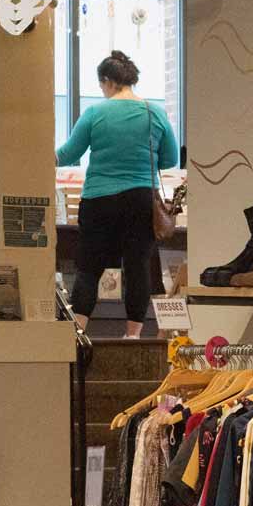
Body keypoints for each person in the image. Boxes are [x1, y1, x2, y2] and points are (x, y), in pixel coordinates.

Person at [55, 50, 180, 338]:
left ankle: (77, 335)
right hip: (139, 200)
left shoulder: (95, 113)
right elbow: (170, 157)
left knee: (88, 268)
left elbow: (69, 153)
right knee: (137, 267)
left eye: (101, 86)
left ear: (108, 81)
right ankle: (133, 336)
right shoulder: (154, 112)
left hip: (98, 201)